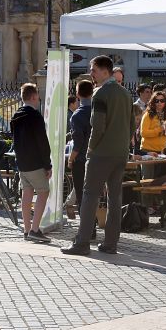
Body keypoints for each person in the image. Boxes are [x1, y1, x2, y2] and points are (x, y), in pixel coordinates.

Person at [62, 55, 135, 256]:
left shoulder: (100, 94)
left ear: (105, 71)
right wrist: (123, 146)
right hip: (120, 154)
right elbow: (131, 126)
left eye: (93, 70)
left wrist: (91, 149)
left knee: (89, 196)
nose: (91, 74)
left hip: (101, 153)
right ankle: (111, 243)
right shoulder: (125, 93)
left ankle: (82, 242)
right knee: (114, 198)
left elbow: (98, 127)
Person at [10, 83, 52, 243]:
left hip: (21, 162)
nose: (38, 100)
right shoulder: (35, 116)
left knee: (26, 194)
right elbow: (42, 142)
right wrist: (47, 164)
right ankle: (35, 229)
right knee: (43, 192)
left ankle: (27, 230)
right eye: (38, 97)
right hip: (35, 162)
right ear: (33, 97)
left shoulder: (16, 116)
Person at [67, 80, 93, 218]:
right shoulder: (97, 111)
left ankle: (87, 228)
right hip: (97, 158)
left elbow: (78, 143)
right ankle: (92, 224)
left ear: (77, 94)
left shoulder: (77, 115)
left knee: (81, 194)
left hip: (81, 159)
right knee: (93, 194)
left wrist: (71, 159)